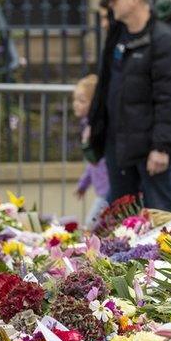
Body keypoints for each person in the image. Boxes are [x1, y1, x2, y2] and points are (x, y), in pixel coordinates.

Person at [88, 0, 171, 213]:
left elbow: (169, 98)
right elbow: (105, 85)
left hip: (149, 145)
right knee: (123, 219)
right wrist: (94, 124)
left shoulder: (164, 39)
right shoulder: (118, 35)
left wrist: (162, 147)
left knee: (161, 215)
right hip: (119, 143)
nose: (110, 4)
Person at [73, 74, 110, 229]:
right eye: (75, 99)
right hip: (102, 191)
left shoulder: (98, 130)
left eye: (82, 100)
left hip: (109, 191)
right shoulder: (87, 127)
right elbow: (92, 162)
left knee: (91, 225)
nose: (75, 104)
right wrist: (83, 184)